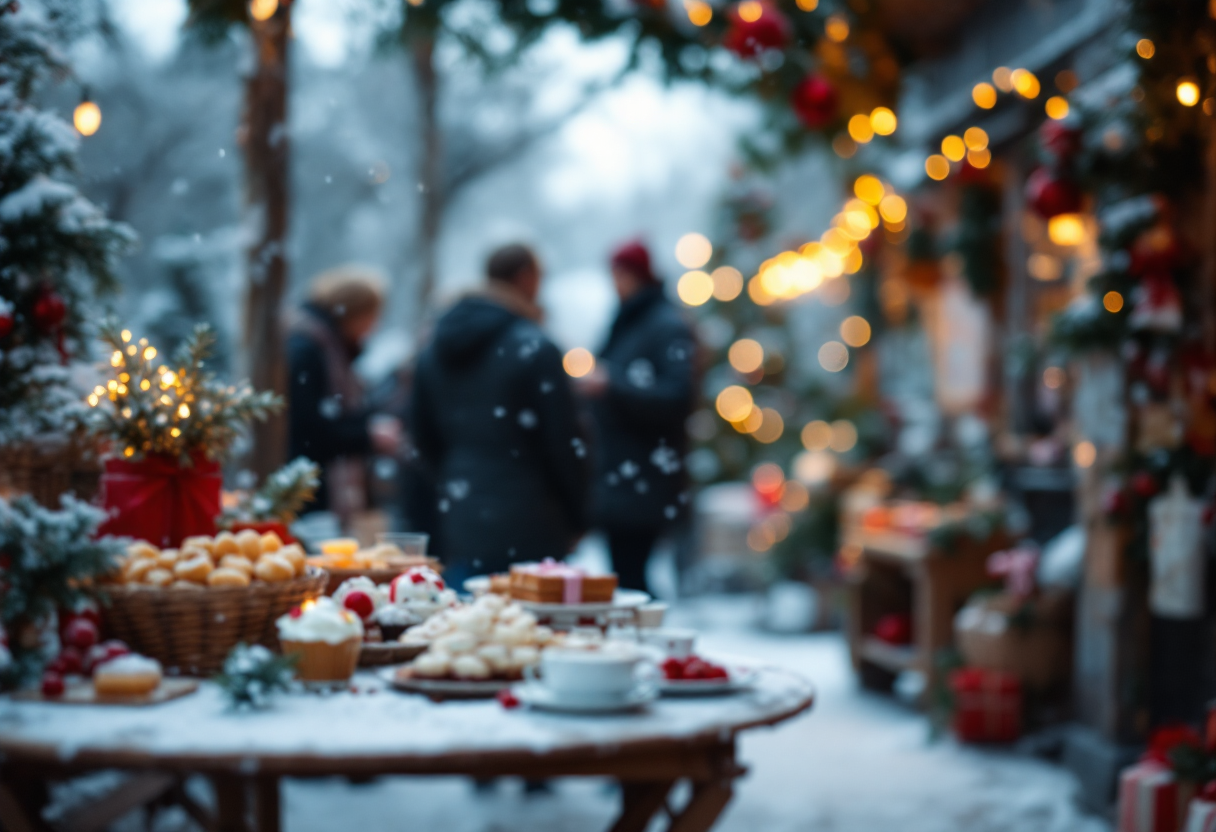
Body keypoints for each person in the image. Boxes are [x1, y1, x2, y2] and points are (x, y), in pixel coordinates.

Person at [411, 244, 590, 582]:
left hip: (461, 510)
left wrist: (454, 480)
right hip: (532, 515)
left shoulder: (434, 349)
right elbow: (563, 441)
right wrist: (577, 515)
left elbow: (421, 436)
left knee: (466, 627)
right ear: (525, 278)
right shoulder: (535, 346)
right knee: (528, 626)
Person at [576, 241, 698, 592]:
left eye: (619, 274)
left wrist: (611, 385)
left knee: (631, 580)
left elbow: (676, 398)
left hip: (643, 476)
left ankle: (642, 642)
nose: (614, 283)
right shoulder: (629, 321)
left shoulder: (664, 326)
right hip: (625, 475)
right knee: (626, 576)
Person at [287, 265, 402, 520]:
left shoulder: (326, 346)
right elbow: (309, 428)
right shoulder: (309, 349)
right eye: (374, 316)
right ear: (355, 312)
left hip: (311, 483)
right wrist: (366, 435)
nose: (375, 326)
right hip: (307, 490)